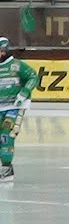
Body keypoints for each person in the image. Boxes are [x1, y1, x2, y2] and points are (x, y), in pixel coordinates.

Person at [0, 36, 37, 182]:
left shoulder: (16, 65)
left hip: (13, 107)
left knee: (6, 135)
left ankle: (7, 168)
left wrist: (24, 92)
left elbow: (33, 76)